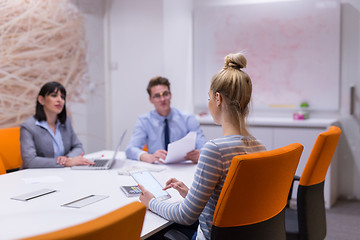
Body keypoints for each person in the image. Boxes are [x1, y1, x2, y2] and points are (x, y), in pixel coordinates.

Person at [138, 53, 266, 240]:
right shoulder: (259, 147)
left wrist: (152, 202)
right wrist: (191, 195)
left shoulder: (214, 150)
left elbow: (185, 216)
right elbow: (231, 204)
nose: (209, 103)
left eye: (208, 98)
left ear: (218, 98)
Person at [125, 76, 207, 164]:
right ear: (150, 99)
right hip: (158, 168)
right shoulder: (144, 121)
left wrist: (201, 155)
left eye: (165, 94)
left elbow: (204, 147)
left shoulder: (187, 118)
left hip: (183, 167)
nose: (162, 99)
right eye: (157, 96)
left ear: (170, 95)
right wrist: (148, 157)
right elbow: (130, 149)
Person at [20, 81, 94, 168]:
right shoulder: (28, 126)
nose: (60, 100)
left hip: (61, 173)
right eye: (54, 95)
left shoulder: (65, 122)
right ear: (41, 100)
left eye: (62, 97)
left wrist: (67, 158)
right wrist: (63, 163)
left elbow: (78, 146)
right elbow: (30, 161)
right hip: (37, 176)